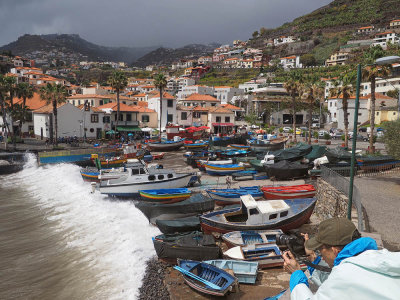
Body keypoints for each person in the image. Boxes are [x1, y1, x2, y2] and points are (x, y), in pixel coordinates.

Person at [283, 217, 400, 299]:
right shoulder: (383, 257)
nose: (320, 254)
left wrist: (296, 273)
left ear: (335, 251)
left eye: (320, 249)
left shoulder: (343, 276)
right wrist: (315, 261)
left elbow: (337, 283)